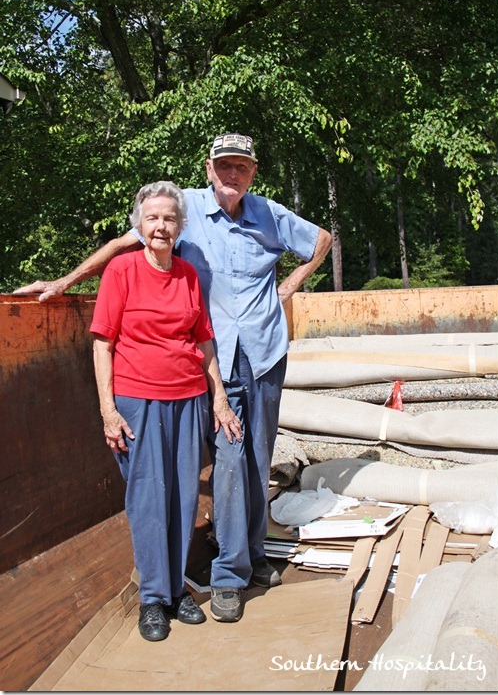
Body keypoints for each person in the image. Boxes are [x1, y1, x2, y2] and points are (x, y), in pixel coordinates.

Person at [14, 133, 333, 623]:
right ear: (209, 169)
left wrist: (288, 286)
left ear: (253, 171)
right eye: (224, 166)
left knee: (255, 458)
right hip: (210, 365)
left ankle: (251, 554)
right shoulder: (181, 211)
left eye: (242, 167)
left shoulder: (269, 213)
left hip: (264, 354)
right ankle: (227, 575)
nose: (232, 175)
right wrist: (63, 282)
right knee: (227, 458)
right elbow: (127, 245)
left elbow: (322, 241)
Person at [90, 180, 242, 642]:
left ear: (180, 225)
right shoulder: (121, 271)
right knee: (148, 500)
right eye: (152, 217)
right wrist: (108, 412)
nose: (160, 225)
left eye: (169, 218)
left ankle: (176, 590)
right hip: (139, 402)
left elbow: (204, 341)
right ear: (139, 223)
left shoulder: (188, 274)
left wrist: (217, 397)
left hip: (188, 399)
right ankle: (153, 600)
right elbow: (102, 344)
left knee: (181, 498)